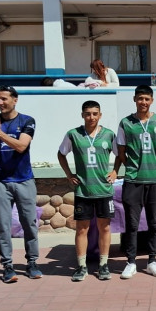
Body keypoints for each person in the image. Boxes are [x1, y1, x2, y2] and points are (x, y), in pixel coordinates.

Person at [0, 86, 42, 283]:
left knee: (30, 224)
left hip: (24, 180)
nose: (0, 102)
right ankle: (7, 266)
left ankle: (32, 263)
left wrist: (0, 134)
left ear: (15, 100)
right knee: (3, 226)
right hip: (0, 182)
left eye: (4, 99)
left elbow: (22, 146)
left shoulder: (27, 121)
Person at [57, 100, 117, 282]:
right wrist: (69, 175)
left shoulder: (109, 135)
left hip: (104, 190)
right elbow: (61, 153)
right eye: (88, 113)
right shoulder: (73, 134)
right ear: (82, 115)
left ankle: (103, 264)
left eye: (95, 113)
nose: (91, 117)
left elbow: (120, 155)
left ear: (100, 115)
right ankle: (81, 266)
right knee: (82, 229)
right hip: (83, 190)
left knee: (104, 228)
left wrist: (115, 171)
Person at [113, 85, 156, 279]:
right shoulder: (126, 123)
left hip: (155, 179)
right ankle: (131, 262)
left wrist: (153, 165)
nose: (143, 102)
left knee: (155, 224)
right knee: (132, 224)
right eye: (140, 99)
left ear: (152, 100)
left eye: (146, 99)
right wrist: (132, 167)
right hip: (133, 179)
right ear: (134, 99)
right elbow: (121, 152)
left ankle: (152, 261)